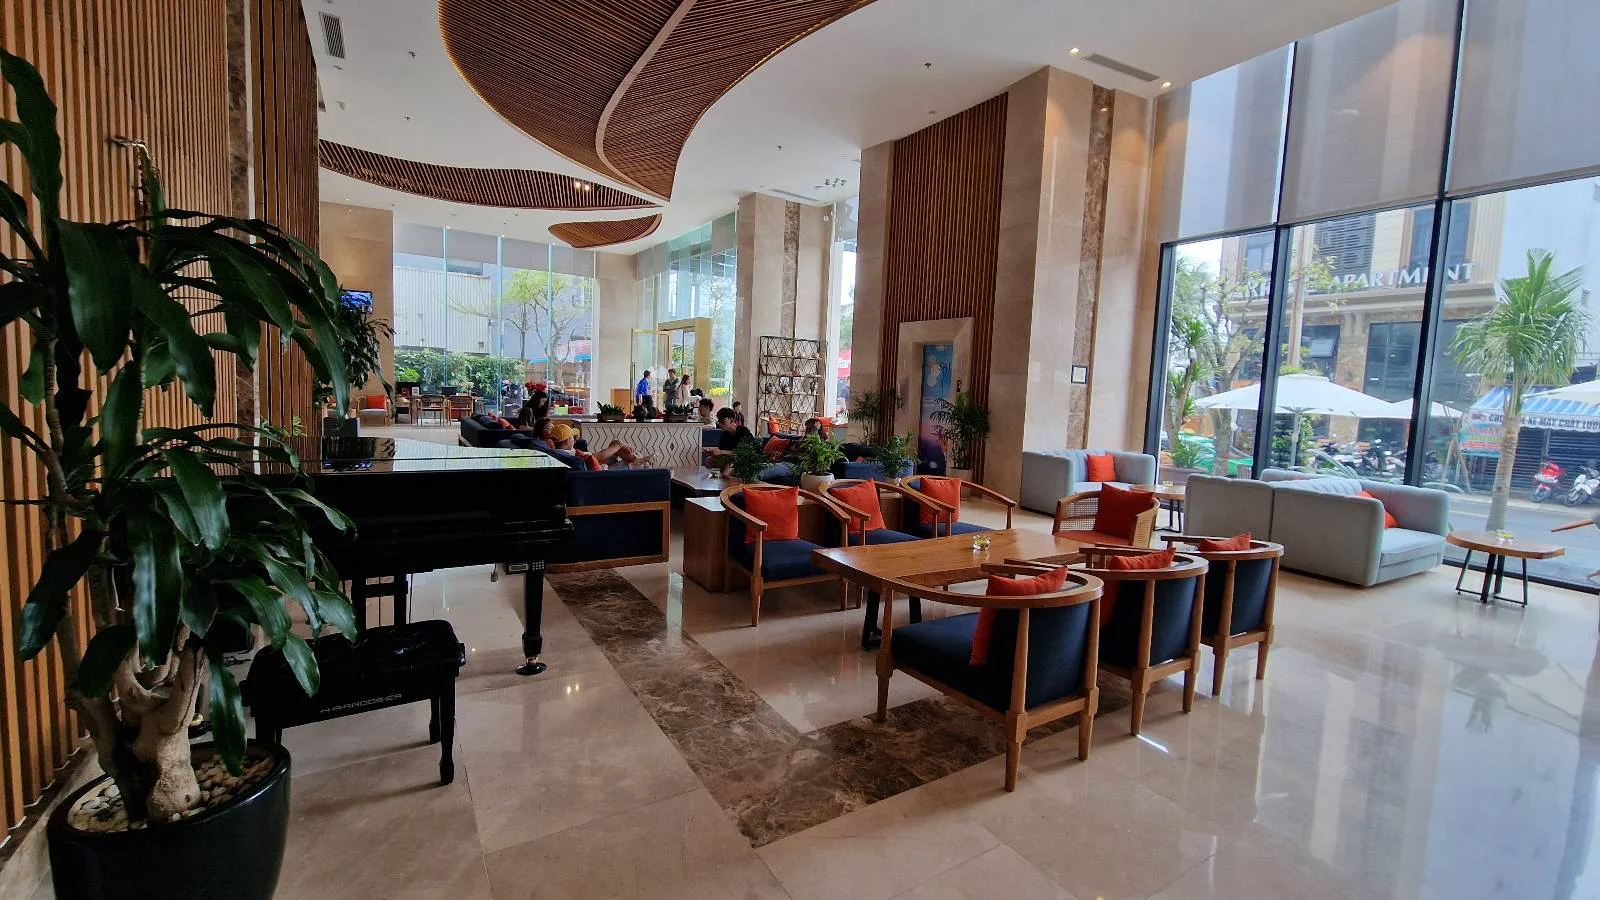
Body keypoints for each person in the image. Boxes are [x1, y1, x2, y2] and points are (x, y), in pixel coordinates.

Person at [549, 422, 649, 469]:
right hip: (603, 476)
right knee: (618, 446)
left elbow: (598, 457)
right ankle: (635, 461)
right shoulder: (576, 456)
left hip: (594, 470)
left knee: (617, 448)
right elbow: (599, 457)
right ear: (567, 441)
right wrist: (619, 445)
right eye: (572, 437)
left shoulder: (558, 452)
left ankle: (636, 459)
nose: (575, 439)